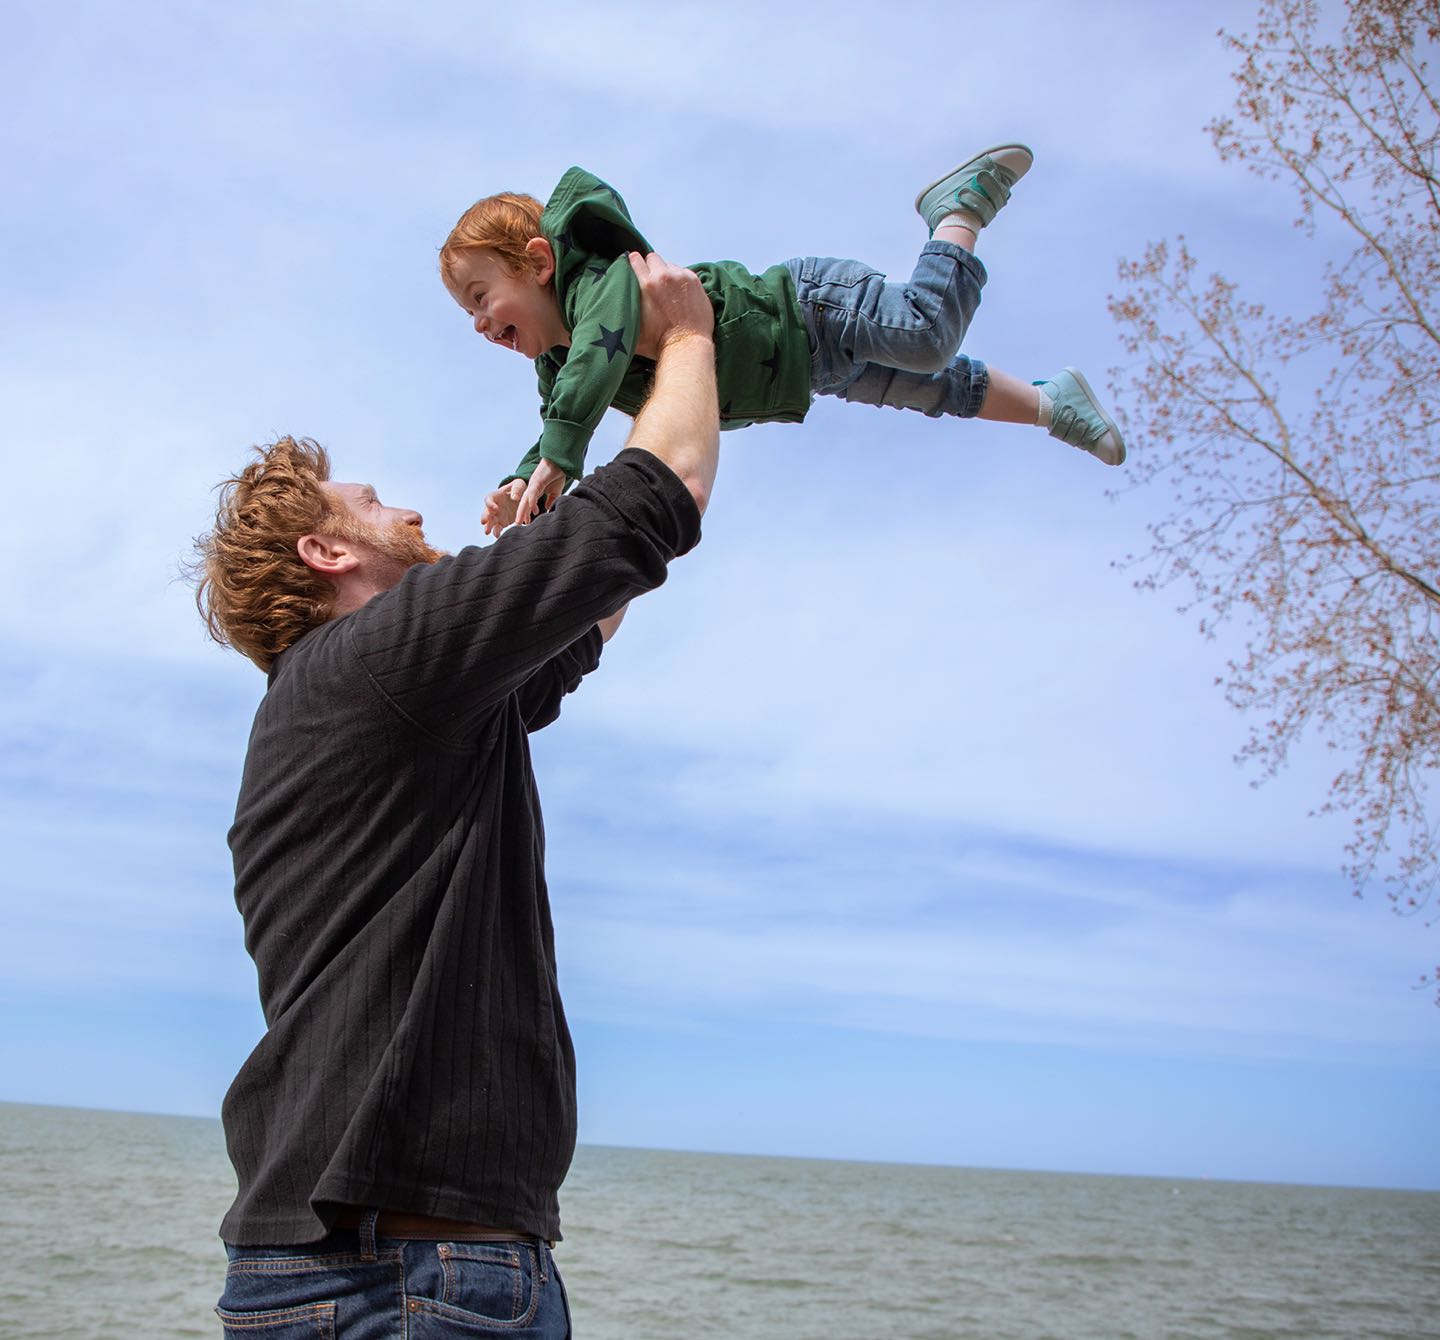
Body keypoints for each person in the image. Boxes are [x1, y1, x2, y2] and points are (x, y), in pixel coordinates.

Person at [193, 254, 719, 1338]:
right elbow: (658, 500)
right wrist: (691, 340)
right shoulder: (385, 659)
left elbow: (591, 602)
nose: (412, 506)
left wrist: (553, 532)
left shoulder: (348, 700)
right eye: (374, 502)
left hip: (319, 1265)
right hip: (421, 1272)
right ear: (326, 549)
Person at [438, 146, 1127, 535]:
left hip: (807, 308)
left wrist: (561, 449)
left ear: (538, 262)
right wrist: (525, 481)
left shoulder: (600, 285)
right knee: (937, 389)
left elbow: (597, 361)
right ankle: (1050, 404)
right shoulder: (560, 367)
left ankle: (958, 212)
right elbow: (556, 424)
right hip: (810, 371)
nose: (478, 324)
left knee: (924, 336)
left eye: (480, 298)